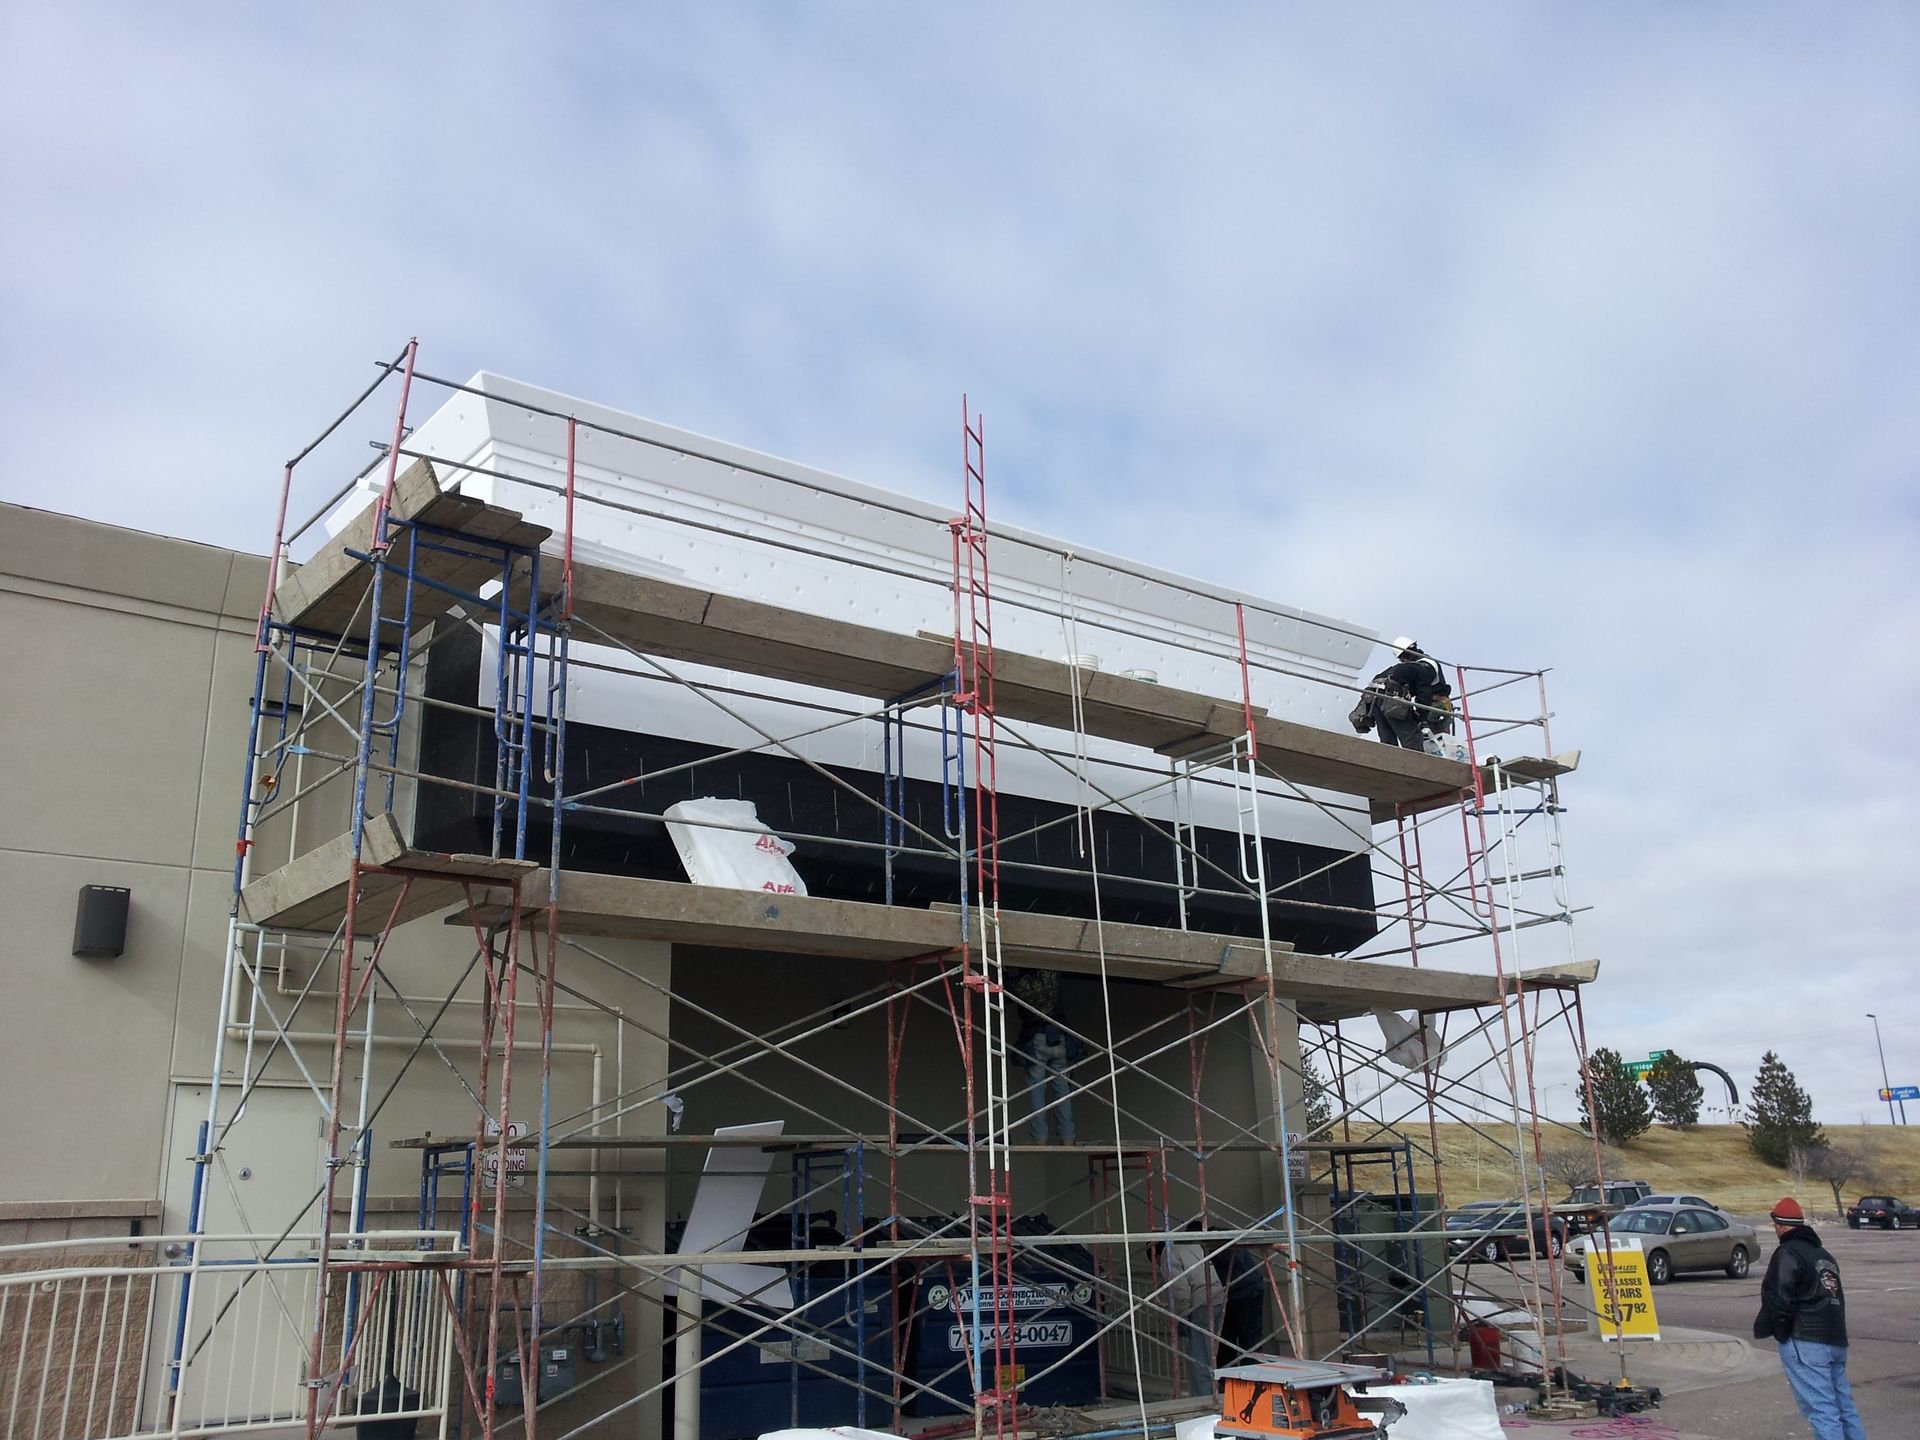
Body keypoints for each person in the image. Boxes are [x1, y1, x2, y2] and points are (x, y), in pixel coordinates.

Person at [1752, 1196, 1867, 1440]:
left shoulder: (1787, 1252)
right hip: (1835, 1338)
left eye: (1775, 1225)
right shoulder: (1823, 1255)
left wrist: (1782, 1333)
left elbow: (1779, 1299)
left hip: (1805, 1339)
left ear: (1780, 1226)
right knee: (1844, 1408)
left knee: (1821, 1410)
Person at [1010, 969, 1080, 1143]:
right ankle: (1067, 1138)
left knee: (1036, 1089)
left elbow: (1005, 994)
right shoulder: (1050, 974)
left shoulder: (1019, 983)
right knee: (1062, 1090)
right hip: (1060, 1037)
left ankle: (1039, 1137)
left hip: (1037, 1038)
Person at [1162, 1224, 1221, 1397]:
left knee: (1201, 1356)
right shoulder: (1201, 1245)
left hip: (1202, 1303)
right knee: (1219, 1353)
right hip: (1224, 1297)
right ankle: (1223, 1395)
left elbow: (1180, 1290)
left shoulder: (1171, 1253)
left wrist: (1184, 1316)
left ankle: (1204, 1399)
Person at [1369, 637, 1453, 750]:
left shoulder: (1425, 666)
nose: (1403, 660)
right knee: (1427, 739)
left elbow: (1424, 692)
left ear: (1409, 653)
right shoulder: (1415, 665)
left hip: (1436, 704)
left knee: (1438, 740)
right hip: (1427, 704)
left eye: (1403, 657)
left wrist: (1421, 714)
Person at [1212, 1243, 1269, 1368]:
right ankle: (1246, 1376)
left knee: (1232, 1342)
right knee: (1246, 1341)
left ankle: (1239, 1380)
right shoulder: (1226, 1241)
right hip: (1243, 1290)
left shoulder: (1215, 1246)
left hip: (1239, 1292)